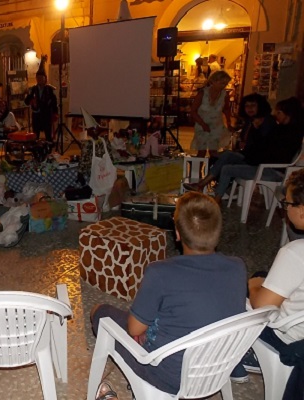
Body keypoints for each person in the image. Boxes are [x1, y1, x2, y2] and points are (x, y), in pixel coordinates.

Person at [90, 191, 246, 395]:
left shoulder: (160, 272)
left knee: (99, 312)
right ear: (218, 231)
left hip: (166, 376)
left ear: (178, 233)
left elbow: (135, 329)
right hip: (219, 367)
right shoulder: (237, 267)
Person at [244, 168, 304, 393]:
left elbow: (263, 306)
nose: (285, 208)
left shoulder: (296, 252)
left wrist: (254, 285)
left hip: (287, 336)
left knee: (244, 286)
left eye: (287, 203)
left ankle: (247, 354)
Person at [211, 96, 304, 204]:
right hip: (265, 165)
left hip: (273, 170)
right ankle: (215, 194)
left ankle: (217, 200)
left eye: (278, 113)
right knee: (228, 158)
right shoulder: (282, 129)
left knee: (227, 169)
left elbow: (272, 152)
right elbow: (263, 145)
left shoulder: (289, 133)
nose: (276, 115)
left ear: (287, 114)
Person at [183, 93, 274, 193]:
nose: (249, 109)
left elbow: (262, 144)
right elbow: (244, 140)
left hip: (257, 161)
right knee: (219, 156)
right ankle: (207, 185)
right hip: (249, 155)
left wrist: (247, 142)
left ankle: (206, 186)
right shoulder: (251, 121)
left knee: (225, 158)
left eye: (253, 105)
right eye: (247, 106)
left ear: (260, 106)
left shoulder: (265, 122)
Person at [190, 70, 234, 158]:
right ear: (213, 81)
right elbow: (193, 111)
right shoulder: (202, 93)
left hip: (216, 124)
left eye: (225, 84)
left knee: (213, 151)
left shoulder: (224, 95)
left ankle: (212, 169)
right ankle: (197, 170)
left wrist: (229, 123)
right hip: (201, 123)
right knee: (201, 151)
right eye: (221, 83)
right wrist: (202, 124)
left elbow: (226, 109)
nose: (223, 86)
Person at [25, 69, 58, 142]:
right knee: (35, 136)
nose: (39, 79)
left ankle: (48, 150)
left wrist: (55, 113)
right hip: (36, 116)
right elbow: (26, 101)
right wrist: (31, 101)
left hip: (46, 115)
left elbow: (54, 102)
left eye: (41, 77)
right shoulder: (33, 89)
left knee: (48, 135)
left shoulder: (49, 89)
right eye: (38, 78)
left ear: (45, 78)